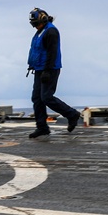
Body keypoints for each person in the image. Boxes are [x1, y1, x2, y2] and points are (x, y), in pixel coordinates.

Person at [26, 7, 81, 138]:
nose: (35, 27)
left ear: (43, 20)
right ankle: (42, 127)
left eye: (36, 24)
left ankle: (72, 114)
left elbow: (52, 53)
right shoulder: (40, 31)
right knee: (37, 98)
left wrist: (47, 71)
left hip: (50, 69)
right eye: (33, 25)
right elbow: (37, 50)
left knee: (47, 97)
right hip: (39, 69)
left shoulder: (51, 31)